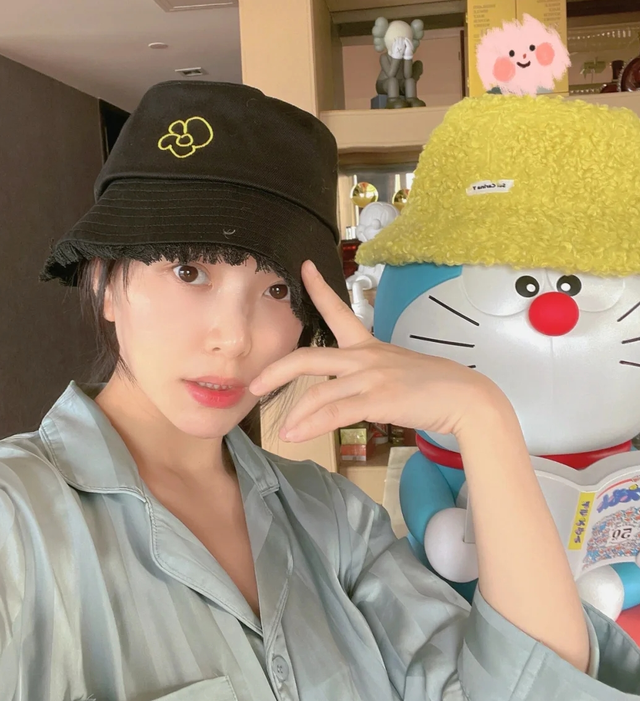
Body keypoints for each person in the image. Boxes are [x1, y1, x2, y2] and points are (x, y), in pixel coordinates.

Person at [0, 80, 638, 701]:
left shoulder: (334, 521)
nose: (235, 337)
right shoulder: (17, 522)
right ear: (104, 284)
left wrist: (483, 414)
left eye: (278, 290)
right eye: (188, 270)